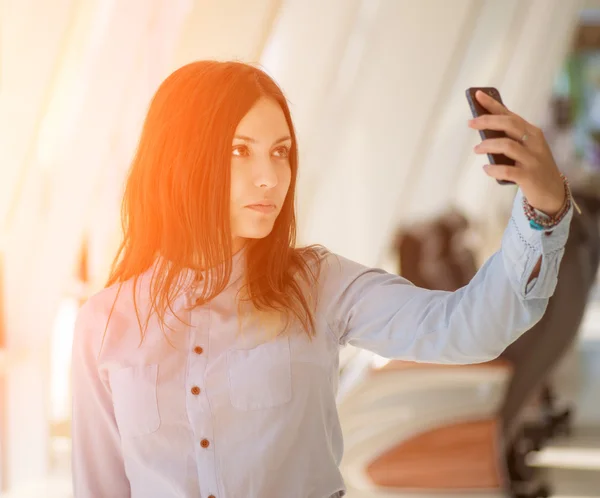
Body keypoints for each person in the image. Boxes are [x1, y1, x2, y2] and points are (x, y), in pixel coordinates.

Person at [71, 60, 574, 498]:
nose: (270, 175)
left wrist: (542, 210)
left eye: (281, 151)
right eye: (239, 151)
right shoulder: (105, 324)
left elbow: (467, 328)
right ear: (181, 161)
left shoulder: (317, 285)